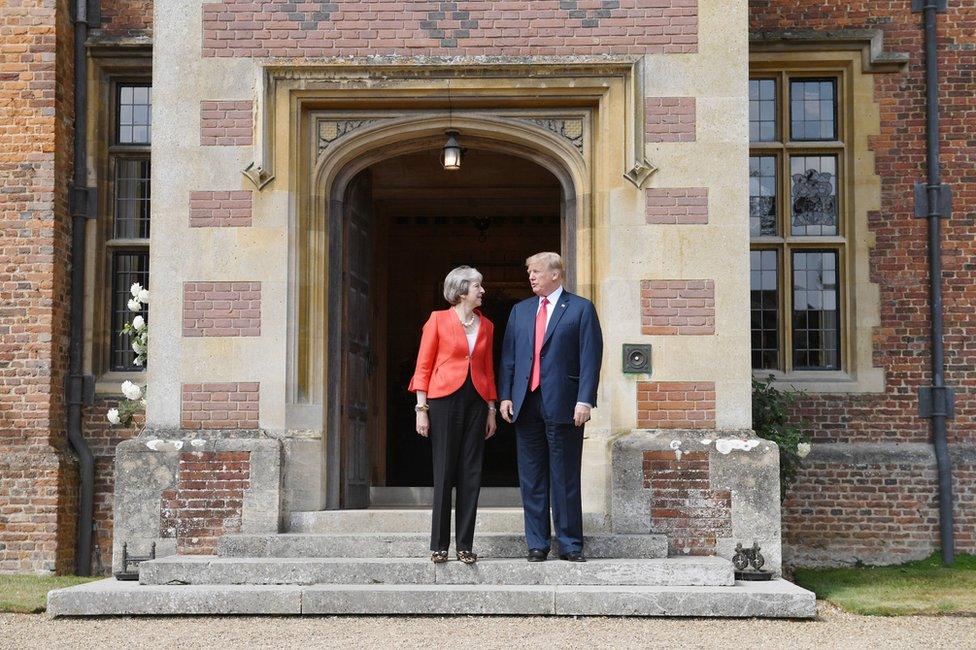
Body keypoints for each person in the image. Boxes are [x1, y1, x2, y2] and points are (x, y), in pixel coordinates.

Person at [499, 252, 603, 562]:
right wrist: (505, 396)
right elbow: (509, 359)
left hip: (565, 403)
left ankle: (570, 544)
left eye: (536, 271)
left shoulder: (581, 308)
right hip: (525, 403)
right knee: (531, 476)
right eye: (529, 271)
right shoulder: (520, 311)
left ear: (555, 274)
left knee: (565, 475)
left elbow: (590, 358)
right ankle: (537, 544)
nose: (530, 276)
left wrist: (585, 399)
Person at [408, 266, 498, 564]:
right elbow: (423, 365)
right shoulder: (437, 320)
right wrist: (422, 409)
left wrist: (491, 409)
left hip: (476, 401)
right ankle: (438, 545)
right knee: (444, 471)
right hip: (443, 400)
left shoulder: (486, 326)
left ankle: (465, 545)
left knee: (471, 473)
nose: (482, 290)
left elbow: (487, 369)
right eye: (477, 286)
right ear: (461, 291)